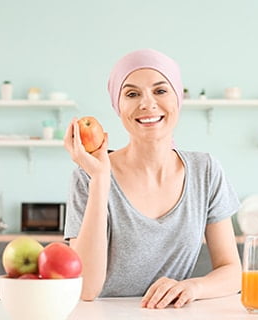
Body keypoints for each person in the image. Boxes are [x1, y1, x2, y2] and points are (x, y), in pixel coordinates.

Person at [63, 49, 241, 309]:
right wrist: (101, 179)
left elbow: (232, 271)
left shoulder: (206, 170)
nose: (147, 104)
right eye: (132, 94)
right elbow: (86, 288)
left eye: (160, 91)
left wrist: (194, 286)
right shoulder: (87, 176)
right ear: (118, 105)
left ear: (177, 98)